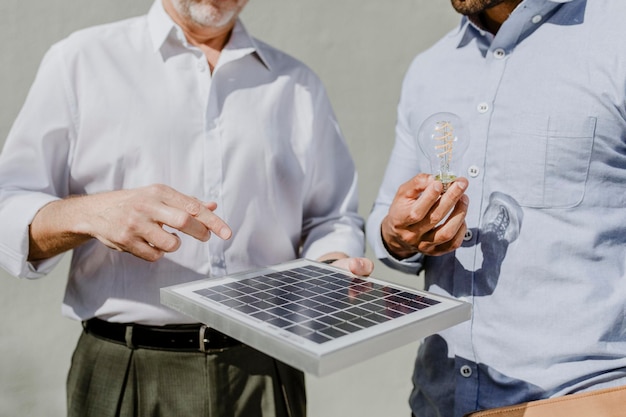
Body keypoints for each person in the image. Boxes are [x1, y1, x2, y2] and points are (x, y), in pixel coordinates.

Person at [0, 0, 374, 416]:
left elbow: (331, 217)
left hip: (265, 367)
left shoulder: (298, 84)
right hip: (127, 370)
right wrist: (91, 213)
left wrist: (331, 263)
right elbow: (9, 209)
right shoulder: (80, 60)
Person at [367, 0, 626, 416]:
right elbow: (386, 222)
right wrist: (399, 236)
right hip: (438, 399)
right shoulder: (429, 68)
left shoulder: (617, 38)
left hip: (578, 400)